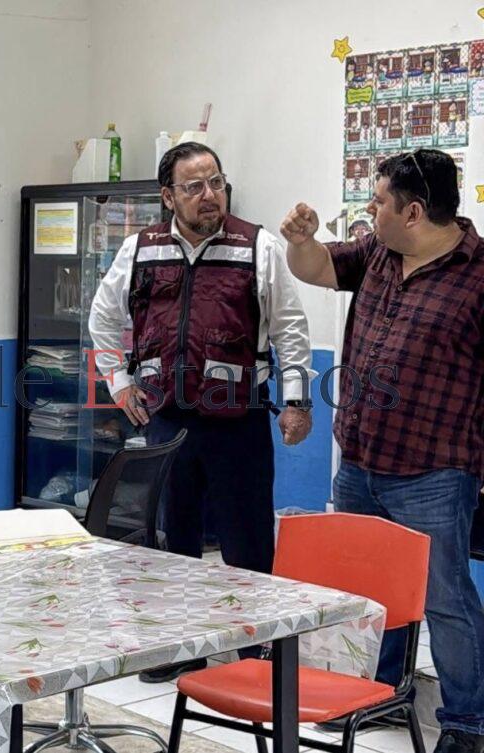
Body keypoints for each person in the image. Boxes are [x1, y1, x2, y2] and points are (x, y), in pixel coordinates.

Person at [88, 142, 315, 682]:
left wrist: (298, 401)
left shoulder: (256, 246)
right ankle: (181, 647)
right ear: (168, 196)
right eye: (194, 187)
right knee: (172, 538)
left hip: (238, 421)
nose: (209, 195)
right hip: (166, 420)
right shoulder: (139, 250)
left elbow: (291, 330)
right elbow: (101, 318)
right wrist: (119, 384)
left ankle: (254, 651)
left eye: (216, 182)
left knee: (248, 540)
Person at [283, 149, 484, 753]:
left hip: (436, 470)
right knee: (367, 591)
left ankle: (467, 723)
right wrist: (300, 240)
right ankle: (380, 697)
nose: (368, 211)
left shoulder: (480, 277)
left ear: (414, 211)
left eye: (377, 202)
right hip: (361, 459)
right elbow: (316, 268)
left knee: (445, 598)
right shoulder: (376, 252)